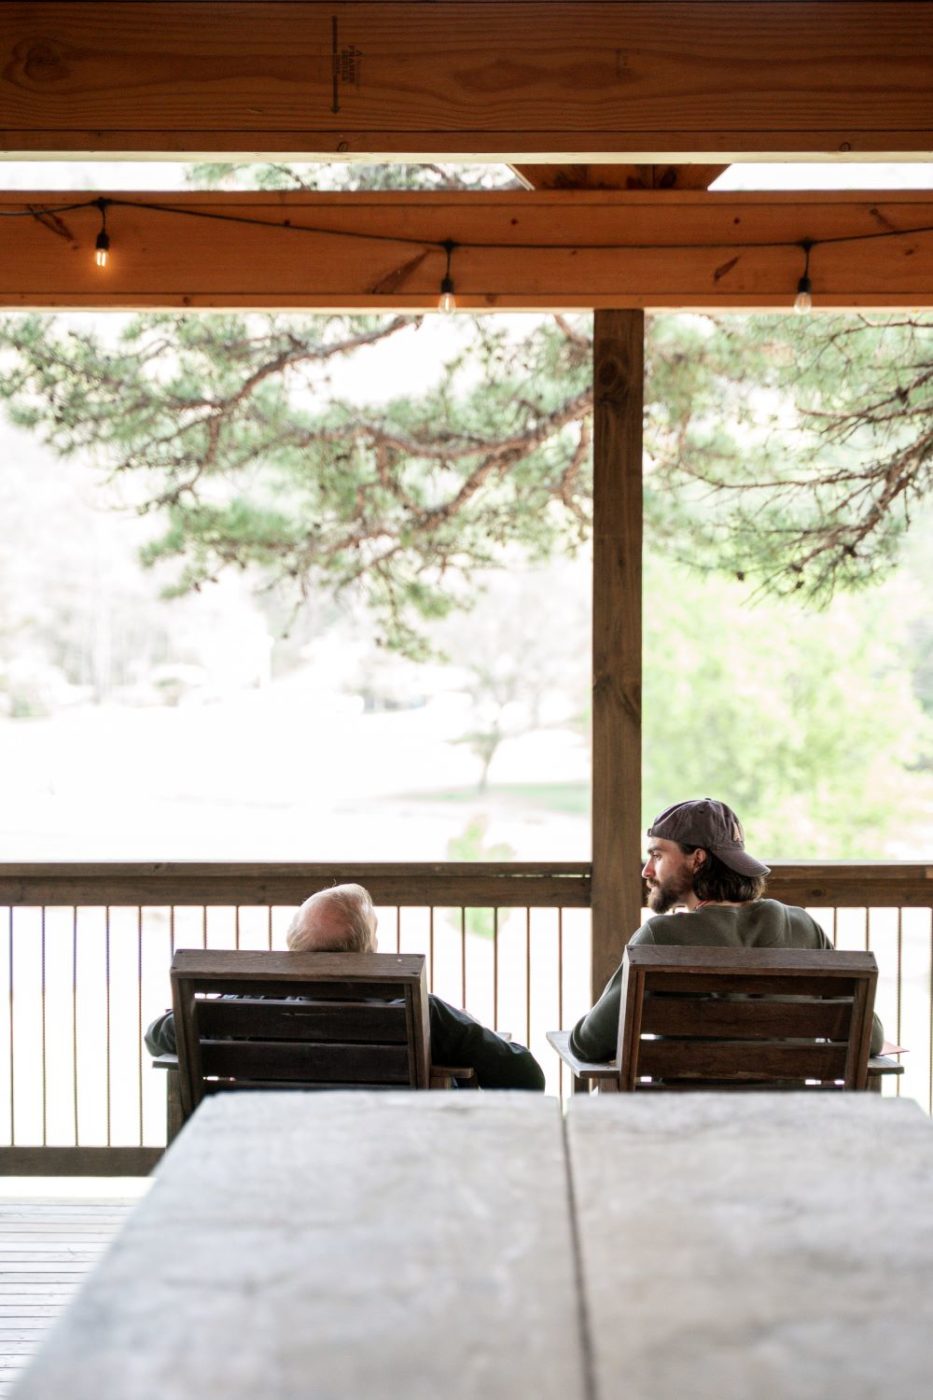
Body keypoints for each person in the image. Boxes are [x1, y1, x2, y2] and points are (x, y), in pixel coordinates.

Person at [145, 882, 545, 1090]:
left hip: (272, 1161)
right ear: (368, 948)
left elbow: (158, 1037)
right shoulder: (416, 1011)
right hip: (392, 1170)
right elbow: (525, 1076)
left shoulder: (244, 1005)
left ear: (292, 945)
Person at [570, 797, 884, 1059]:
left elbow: (589, 1044)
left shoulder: (660, 938)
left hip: (688, 1125)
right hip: (789, 1123)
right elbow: (871, 1040)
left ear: (698, 860)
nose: (647, 870)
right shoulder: (802, 926)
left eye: (657, 854)